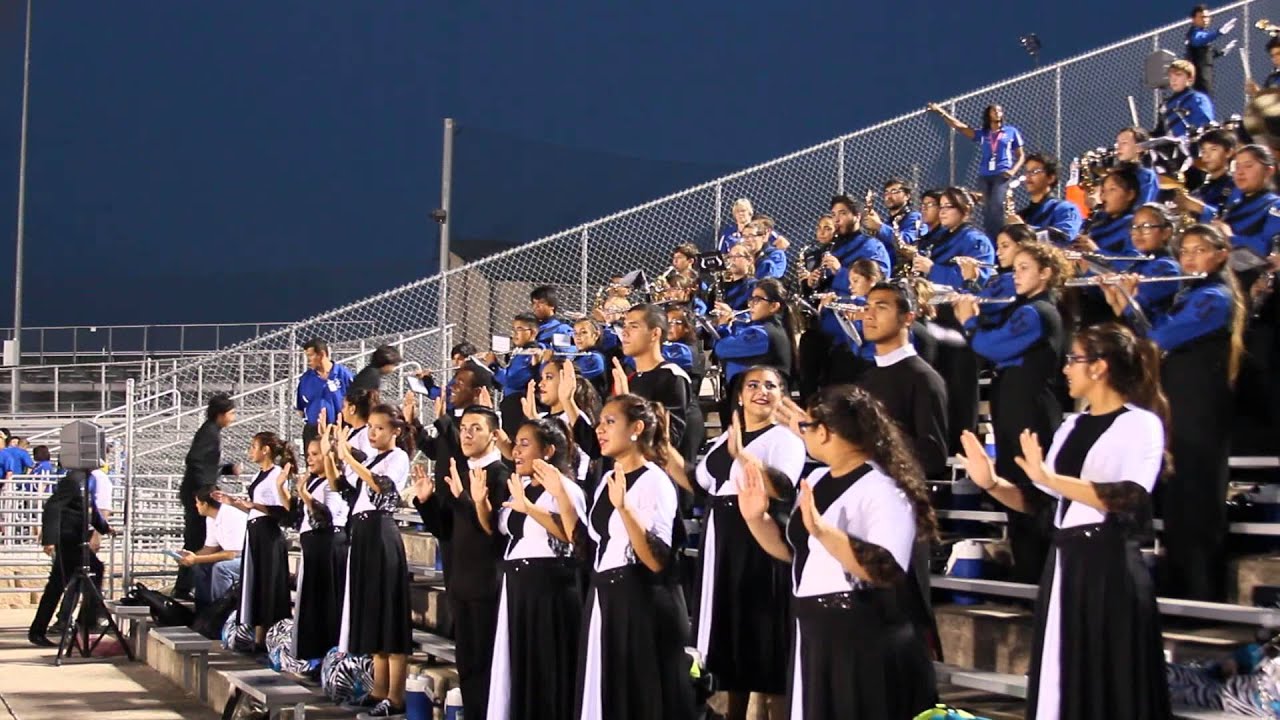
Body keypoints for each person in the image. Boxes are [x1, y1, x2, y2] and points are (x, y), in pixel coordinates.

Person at [956, 322, 1172, 719]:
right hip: (1065, 559)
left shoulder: (1141, 424)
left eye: (1073, 359)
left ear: (1099, 367)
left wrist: (1050, 479)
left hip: (1108, 564)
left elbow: (1129, 497)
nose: (1065, 369)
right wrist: (992, 483)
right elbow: (1040, 501)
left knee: (1108, 676)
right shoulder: (1071, 426)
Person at [739, 386, 939, 719]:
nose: (801, 432)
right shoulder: (816, 480)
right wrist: (756, 519)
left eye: (809, 426)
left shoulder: (884, 487)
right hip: (813, 626)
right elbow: (795, 553)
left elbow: (885, 569)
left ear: (829, 433)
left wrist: (823, 531)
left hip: (860, 635)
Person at [1103, 224, 1246, 602]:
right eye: (1185, 251)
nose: (1189, 258)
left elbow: (1162, 336)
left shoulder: (1215, 297)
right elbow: (1152, 332)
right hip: (1181, 409)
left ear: (1220, 255)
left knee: (1199, 499)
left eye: (1200, 250)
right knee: (1180, 498)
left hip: (1202, 410)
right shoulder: (1189, 293)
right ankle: (1182, 588)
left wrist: (1132, 305)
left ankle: (1203, 593)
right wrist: (1127, 302)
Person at [693, 366, 805, 720]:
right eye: (752, 385)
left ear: (781, 396)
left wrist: (743, 455)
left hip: (758, 540)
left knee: (763, 639)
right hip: (722, 542)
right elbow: (704, 484)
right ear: (739, 396)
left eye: (770, 386)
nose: (761, 391)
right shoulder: (722, 440)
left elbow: (782, 489)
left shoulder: (785, 439)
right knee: (732, 640)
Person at [573, 394, 694, 720]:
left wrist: (625, 508)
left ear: (637, 428)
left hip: (640, 603)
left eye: (610, 422)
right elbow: (595, 545)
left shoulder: (655, 480)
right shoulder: (609, 480)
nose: (600, 429)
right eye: (599, 422)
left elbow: (656, 560)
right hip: (606, 599)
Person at [957, 241, 1070, 584]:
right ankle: (1025, 574)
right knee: (1014, 491)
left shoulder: (1038, 311)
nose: (1015, 275)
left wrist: (971, 324)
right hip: (1013, 406)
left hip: (1030, 409)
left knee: (1031, 494)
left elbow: (993, 345)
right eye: (1015, 268)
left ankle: (1038, 578)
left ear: (1046, 273)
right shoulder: (1022, 308)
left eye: (1024, 268)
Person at [483, 417, 587, 720]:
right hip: (518, 586)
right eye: (515, 444)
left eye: (525, 444)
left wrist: (530, 509)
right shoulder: (522, 488)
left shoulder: (566, 489)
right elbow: (503, 530)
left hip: (550, 590)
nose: (515, 451)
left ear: (549, 451)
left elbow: (571, 536)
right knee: (521, 669)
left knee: (548, 669)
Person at [412, 406, 508, 720]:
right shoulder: (461, 473)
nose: (466, 434)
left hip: (487, 583)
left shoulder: (501, 476)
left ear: (494, 435)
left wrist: (469, 501)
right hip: (460, 581)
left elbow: (493, 532)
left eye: (476, 428)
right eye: (464, 427)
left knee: (486, 666)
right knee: (467, 665)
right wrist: (426, 502)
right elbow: (446, 530)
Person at [334, 404, 415, 718]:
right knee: (372, 612)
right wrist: (337, 454)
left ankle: (396, 696)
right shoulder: (373, 459)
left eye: (380, 428)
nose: (372, 433)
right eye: (370, 427)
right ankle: (378, 688)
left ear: (395, 430)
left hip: (381, 534)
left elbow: (382, 490)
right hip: (363, 533)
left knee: (389, 614)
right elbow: (348, 490)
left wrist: (350, 457)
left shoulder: (398, 457)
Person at [855, 281, 950, 479]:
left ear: (908, 318)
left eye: (881, 307)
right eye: (866, 307)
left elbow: (932, 457)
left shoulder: (924, 379)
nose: (869, 315)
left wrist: (875, 446)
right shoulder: (866, 378)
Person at [213, 432, 295, 650]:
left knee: (267, 583)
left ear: (265, 449)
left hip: (268, 534)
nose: (250, 451)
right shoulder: (261, 474)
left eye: (253, 446)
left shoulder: (276, 475)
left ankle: (265, 637)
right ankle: (258, 637)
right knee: (257, 583)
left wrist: (253, 506)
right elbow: (254, 506)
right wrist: (232, 502)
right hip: (256, 531)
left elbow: (282, 511)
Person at [29, 469, 113, 647]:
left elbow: (89, 509)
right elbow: (53, 507)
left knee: (59, 584)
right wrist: (49, 539)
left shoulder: (88, 479)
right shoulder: (74, 479)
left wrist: (104, 528)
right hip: (68, 539)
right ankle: (87, 619)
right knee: (92, 570)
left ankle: (42, 629)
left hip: (76, 537)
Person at [289, 436, 350, 662]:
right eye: (309, 455)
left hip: (328, 548)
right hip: (314, 548)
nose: (310, 459)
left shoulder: (334, 483)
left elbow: (327, 517)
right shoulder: (315, 481)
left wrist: (304, 494)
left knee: (326, 604)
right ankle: (311, 654)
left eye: (316, 454)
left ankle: (328, 654)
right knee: (312, 604)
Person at [928, 102, 1026, 238]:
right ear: (988, 114)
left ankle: (1001, 234)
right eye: (994, 111)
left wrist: (1013, 171)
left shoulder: (1011, 131)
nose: (997, 113)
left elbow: (1021, 155)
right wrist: (940, 111)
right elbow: (960, 127)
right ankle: (992, 237)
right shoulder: (984, 134)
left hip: (1002, 174)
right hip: (985, 174)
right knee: (987, 209)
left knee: (997, 204)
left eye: (999, 111)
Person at [174, 394, 237, 600]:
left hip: (198, 491)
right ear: (221, 415)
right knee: (196, 539)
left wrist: (227, 469)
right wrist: (205, 491)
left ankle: (189, 586)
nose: (233, 417)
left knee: (199, 539)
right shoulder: (209, 432)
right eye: (231, 413)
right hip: (197, 493)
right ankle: (185, 587)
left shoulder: (211, 431)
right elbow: (195, 460)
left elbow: (206, 463)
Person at [179, 486, 248, 610]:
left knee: (221, 568)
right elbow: (210, 548)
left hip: (250, 558)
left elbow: (231, 554)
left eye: (197, 503)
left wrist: (196, 559)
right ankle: (203, 611)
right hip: (236, 555)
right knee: (202, 566)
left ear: (205, 504)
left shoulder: (231, 515)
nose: (196, 506)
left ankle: (221, 610)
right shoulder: (211, 518)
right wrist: (192, 557)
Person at [296, 338, 355, 447]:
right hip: (314, 430)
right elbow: (300, 408)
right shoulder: (305, 379)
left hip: (340, 429)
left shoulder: (344, 375)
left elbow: (357, 401)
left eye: (310, 356)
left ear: (322, 354)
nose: (308, 360)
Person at [1015, 153, 1084, 241]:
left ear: (1051, 178)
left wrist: (1023, 229)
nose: (1028, 176)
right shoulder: (1024, 214)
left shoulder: (1065, 208)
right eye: (1027, 172)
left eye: (1035, 171)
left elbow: (1065, 236)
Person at [863, 178, 924, 263]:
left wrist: (879, 226)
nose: (889, 196)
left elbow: (905, 240)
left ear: (907, 196)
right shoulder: (888, 223)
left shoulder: (915, 217)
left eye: (894, 191)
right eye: (886, 192)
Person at [1185, 4, 1237, 95]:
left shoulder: (1201, 32)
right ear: (1193, 19)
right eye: (1202, 17)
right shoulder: (1194, 33)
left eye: (1207, 17)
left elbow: (1204, 54)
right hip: (1199, 77)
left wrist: (1222, 51)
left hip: (1206, 75)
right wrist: (1218, 32)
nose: (1205, 19)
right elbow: (1199, 39)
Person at [1157, 60, 1215, 138]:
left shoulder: (1197, 98)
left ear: (1190, 78)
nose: (1173, 80)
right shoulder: (1166, 105)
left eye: (1178, 75)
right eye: (1170, 76)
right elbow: (1160, 132)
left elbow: (1203, 125)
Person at [1190, 128, 1238, 212]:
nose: (1206, 156)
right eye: (1204, 151)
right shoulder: (1200, 190)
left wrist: (1194, 206)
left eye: (1213, 149)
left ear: (1229, 152)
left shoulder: (1235, 186)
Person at [1114, 127, 1160, 205]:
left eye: (1124, 143)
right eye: (1117, 143)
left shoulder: (1147, 176)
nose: (1118, 147)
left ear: (1139, 148)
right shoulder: (1113, 175)